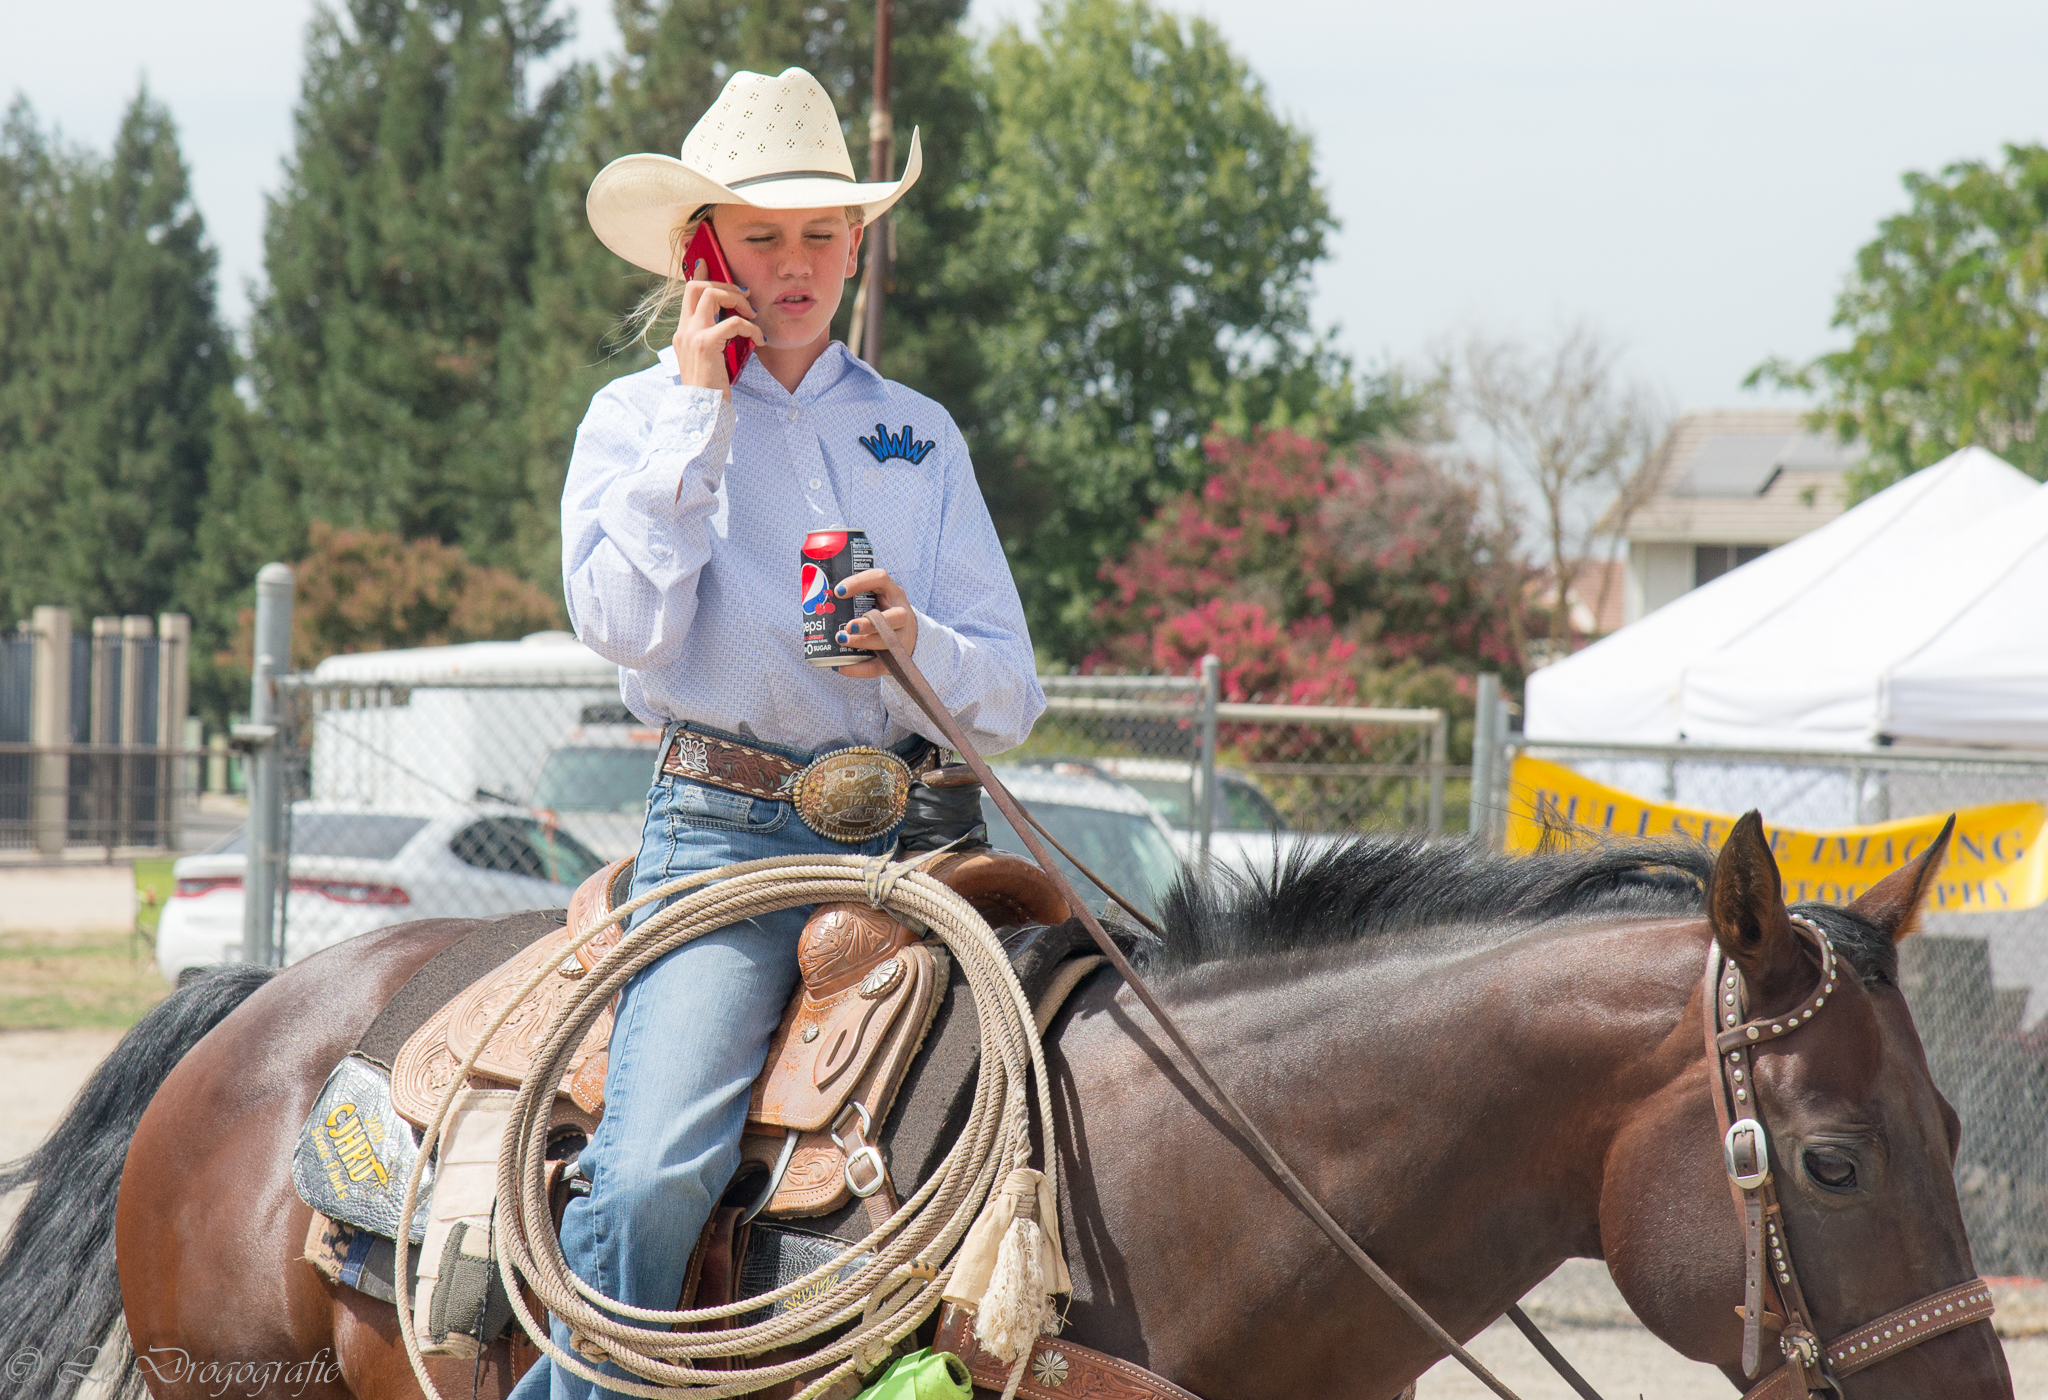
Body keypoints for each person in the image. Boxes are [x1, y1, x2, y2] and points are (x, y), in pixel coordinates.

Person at [507, 67, 1042, 1400]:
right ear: (707, 249)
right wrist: (696, 412)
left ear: (857, 243)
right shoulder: (633, 422)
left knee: (1092, 1075)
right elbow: (624, 626)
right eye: (761, 234)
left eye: (820, 232)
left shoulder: (919, 435)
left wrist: (923, 646)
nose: (794, 263)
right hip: (728, 844)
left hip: (924, 837)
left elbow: (1015, 695)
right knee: (648, 1179)